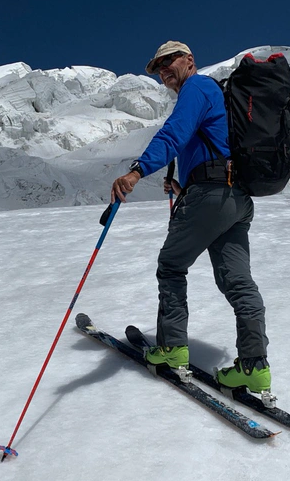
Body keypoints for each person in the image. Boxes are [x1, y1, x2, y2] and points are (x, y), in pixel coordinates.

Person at [110, 41, 271, 394]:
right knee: (238, 282)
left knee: (171, 266)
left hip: (212, 196)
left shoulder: (197, 87)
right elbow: (213, 152)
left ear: (189, 60)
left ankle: (171, 348)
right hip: (236, 199)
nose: (165, 71)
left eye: (169, 62)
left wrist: (137, 172)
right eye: (159, 68)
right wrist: (185, 186)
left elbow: (173, 134)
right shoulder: (216, 96)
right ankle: (254, 366)